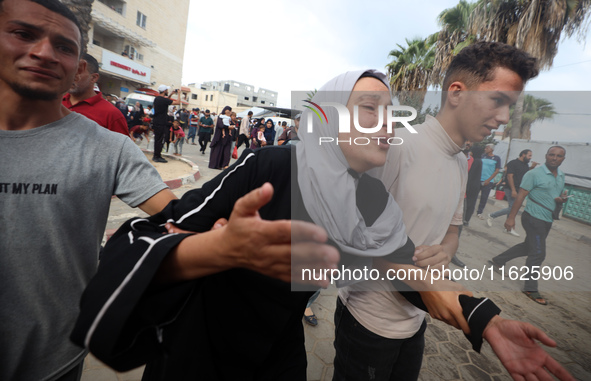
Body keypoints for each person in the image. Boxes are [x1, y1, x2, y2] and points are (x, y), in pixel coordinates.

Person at [71, 69, 574, 381]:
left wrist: (485, 319)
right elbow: (168, 227)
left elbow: (409, 275)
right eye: (368, 109)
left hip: (280, 351)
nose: (385, 123)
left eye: (389, 111)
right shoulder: (270, 167)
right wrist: (221, 248)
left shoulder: (373, 199)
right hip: (202, 348)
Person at [0, 1, 179, 380]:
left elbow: (177, 218)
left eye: (64, 46)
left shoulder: (109, 146)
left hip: (54, 360)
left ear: (80, 68)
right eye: (23, 34)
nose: (44, 53)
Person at [354, 41, 549, 381]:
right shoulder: (398, 146)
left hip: (416, 319)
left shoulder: (461, 161)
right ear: (456, 92)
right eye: (498, 100)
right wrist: (479, 315)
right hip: (367, 319)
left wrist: (442, 252)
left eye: (510, 106)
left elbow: (453, 231)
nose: (504, 119)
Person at [490, 146, 567, 306]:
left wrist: (560, 200)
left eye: (558, 156)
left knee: (529, 246)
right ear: (546, 156)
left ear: (563, 159)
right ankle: (530, 288)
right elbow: (520, 196)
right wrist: (511, 218)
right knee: (538, 253)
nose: (554, 158)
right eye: (551, 154)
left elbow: (554, 196)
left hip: (547, 218)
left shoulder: (561, 176)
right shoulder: (534, 174)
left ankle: (498, 260)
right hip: (532, 217)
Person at [62, 53, 129, 136]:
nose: (71, 76)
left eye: (77, 72)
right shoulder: (55, 104)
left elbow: (121, 148)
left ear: (93, 78)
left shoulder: (112, 115)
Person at [487, 149, 538, 235]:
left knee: (512, 208)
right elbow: (510, 177)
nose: (530, 158)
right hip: (510, 188)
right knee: (512, 208)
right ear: (523, 155)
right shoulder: (513, 163)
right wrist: (513, 190)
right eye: (529, 155)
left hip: (519, 189)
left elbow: (525, 174)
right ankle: (492, 215)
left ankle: (508, 228)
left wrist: (532, 167)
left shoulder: (525, 165)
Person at [152, 84, 180, 163]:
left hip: (156, 121)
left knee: (157, 139)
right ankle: (157, 156)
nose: (167, 91)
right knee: (159, 140)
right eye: (167, 90)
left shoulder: (157, 99)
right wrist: (179, 93)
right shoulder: (163, 100)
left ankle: (156, 155)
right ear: (164, 91)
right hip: (161, 122)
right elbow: (177, 102)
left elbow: (165, 100)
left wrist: (171, 94)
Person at [476, 143, 502, 219]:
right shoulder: (482, 156)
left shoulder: (496, 158)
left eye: (487, 148)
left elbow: (497, 170)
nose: (485, 149)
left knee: (484, 198)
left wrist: (488, 180)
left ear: (491, 149)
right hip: (478, 179)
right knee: (473, 196)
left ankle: (479, 212)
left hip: (488, 181)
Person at [463, 145, 485, 226]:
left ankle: (465, 219)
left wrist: (466, 186)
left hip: (471, 185)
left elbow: (471, 175)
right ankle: (466, 219)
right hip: (475, 185)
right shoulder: (479, 161)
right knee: (471, 203)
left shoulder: (475, 161)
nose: (470, 153)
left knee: (468, 203)